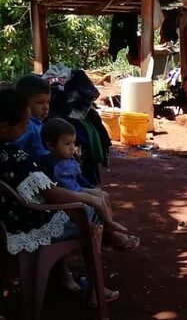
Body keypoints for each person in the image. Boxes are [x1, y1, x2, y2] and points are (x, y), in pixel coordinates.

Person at [0, 88, 119, 302]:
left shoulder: (9, 150)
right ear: (4, 127)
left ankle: (70, 273)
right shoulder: (13, 155)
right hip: (27, 224)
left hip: (10, 219)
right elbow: (52, 194)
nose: (28, 127)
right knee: (89, 211)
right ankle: (96, 287)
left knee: (89, 201)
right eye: (23, 125)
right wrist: (89, 199)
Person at [41, 117, 127, 237]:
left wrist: (78, 161)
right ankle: (108, 224)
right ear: (50, 145)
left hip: (76, 189)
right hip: (66, 197)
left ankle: (108, 226)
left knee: (103, 195)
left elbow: (76, 176)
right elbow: (51, 192)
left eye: (73, 143)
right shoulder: (48, 164)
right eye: (67, 144)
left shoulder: (69, 158)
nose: (72, 148)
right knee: (92, 203)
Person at [14, 75, 51, 160]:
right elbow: (16, 150)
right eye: (40, 102)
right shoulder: (26, 126)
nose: (46, 107)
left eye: (48, 102)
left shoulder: (37, 122)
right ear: (23, 103)